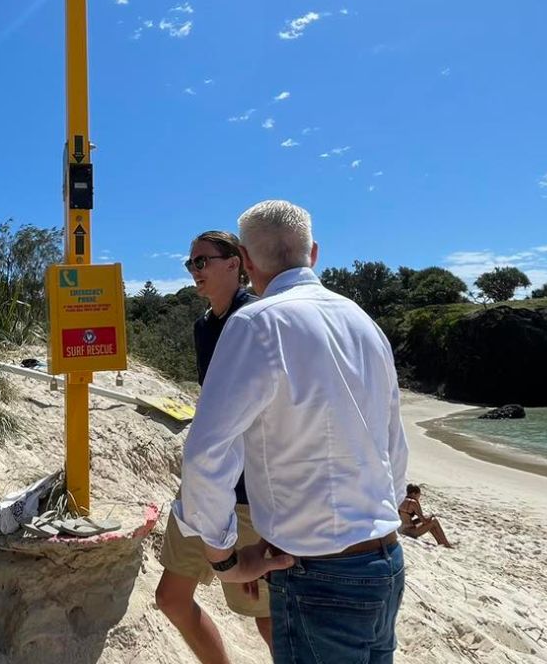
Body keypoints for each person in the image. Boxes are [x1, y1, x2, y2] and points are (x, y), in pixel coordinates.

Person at [177, 200, 409, 664]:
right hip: (385, 561)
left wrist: (223, 558)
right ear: (314, 253)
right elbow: (393, 448)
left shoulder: (257, 322)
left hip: (316, 572)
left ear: (243, 259)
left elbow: (206, 453)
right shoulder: (363, 322)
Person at [155, 230, 268, 662]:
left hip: (249, 493)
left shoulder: (259, 319)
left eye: (202, 261)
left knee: (265, 616)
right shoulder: (204, 327)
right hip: (205, 483)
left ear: (234, 263)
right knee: (171, 598)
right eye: (191, 263)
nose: (194, 271)